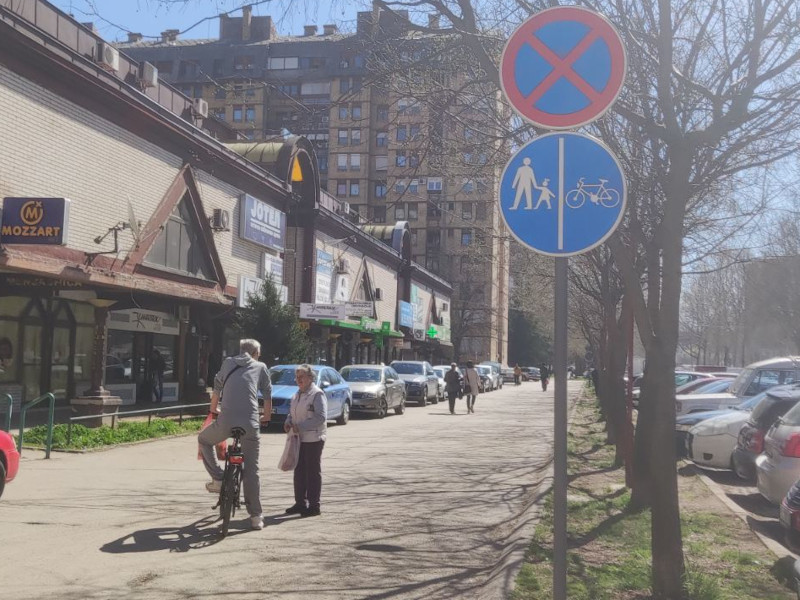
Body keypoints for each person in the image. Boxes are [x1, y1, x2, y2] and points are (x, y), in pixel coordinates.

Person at [199, 339, 272, 531]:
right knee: (251, 470)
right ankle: (256, 516)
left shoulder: (228, 363)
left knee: (203, 440)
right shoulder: (261, 366)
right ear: (256, 352)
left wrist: (213, 409)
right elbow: (267, 393)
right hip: (250, 423)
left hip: (226, 421)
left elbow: (217, 385)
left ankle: (218, 477)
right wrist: (266, 415)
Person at [284, 364, 327, 518]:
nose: (298, 379)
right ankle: (300, 503)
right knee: (299, 470)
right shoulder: (297, 394)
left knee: (312, 472)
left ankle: (314, 506)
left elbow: (320, 417)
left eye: (301, 376)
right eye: (297, 377)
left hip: (314, 438)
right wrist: (288, 421)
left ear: (310, 378)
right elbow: (292, 412)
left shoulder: (317, 394)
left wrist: (300, 427)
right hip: (299, 439)